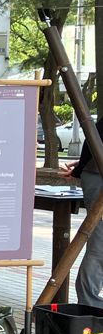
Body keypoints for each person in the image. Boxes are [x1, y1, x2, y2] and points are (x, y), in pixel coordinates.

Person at [63, 114, 103, 307]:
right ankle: (90, 304)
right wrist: (81, 167)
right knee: (100, 244)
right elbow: (95, 136)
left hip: (93, 171)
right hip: (98, 175)